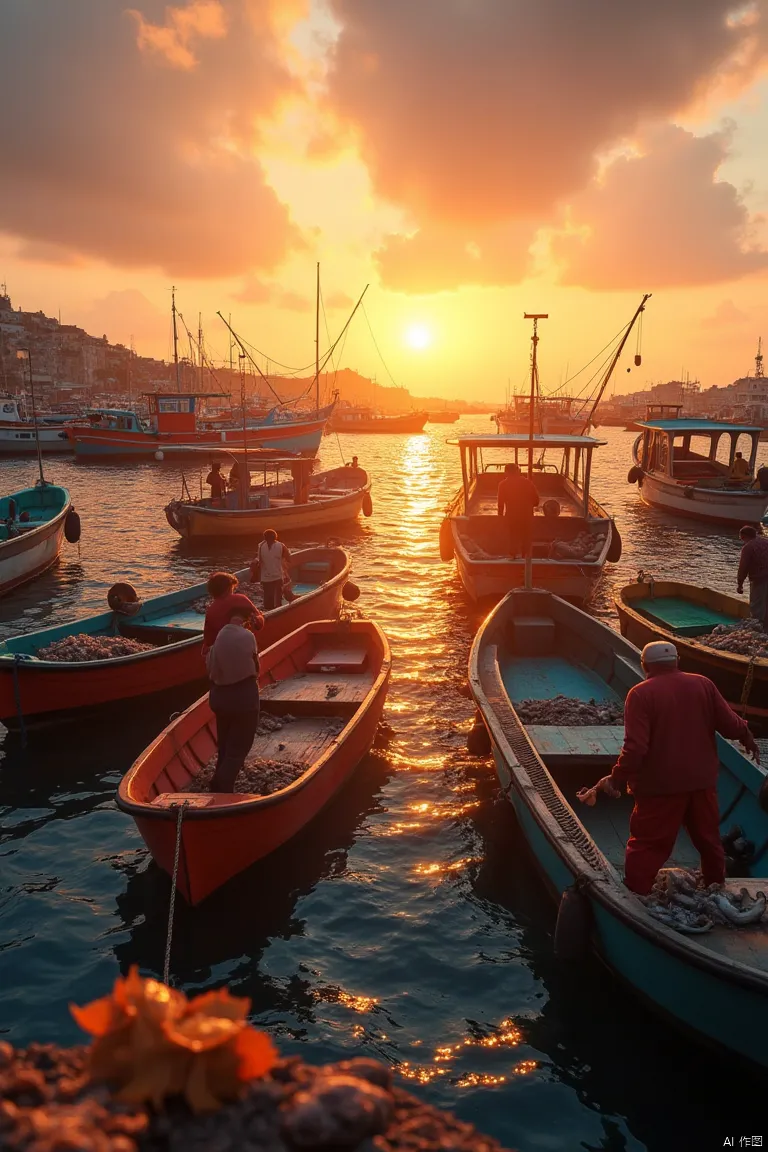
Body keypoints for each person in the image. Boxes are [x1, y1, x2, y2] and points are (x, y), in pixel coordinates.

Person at [588, 641, 759, 896]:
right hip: (701, 782)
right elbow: (732, 726)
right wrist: (747, 736)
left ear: (645, 666)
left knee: (649, 845)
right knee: (708, 840)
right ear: (676, 661)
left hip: (660, 787)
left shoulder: (640, 694)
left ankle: (637, 894)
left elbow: (635, 748)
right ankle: (715, 886)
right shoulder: (703, 684)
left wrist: (616, 777)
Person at [206, 604, 260, 791]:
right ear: (247, 619)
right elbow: (256, 667)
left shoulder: (220, 635)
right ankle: (223, 786)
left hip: (219, 696)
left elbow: (210, 666)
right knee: (239, 747)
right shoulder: (248, 636)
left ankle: (217, 780)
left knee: (225, 744)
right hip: (243, 697)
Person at [203, 571, 264, 653]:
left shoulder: (210, 610)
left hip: (219, 653)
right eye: (233, 588)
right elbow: (259, 624)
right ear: (229, 588)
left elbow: (208, 640)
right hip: (240, 650)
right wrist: (258, 617)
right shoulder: (239, 599)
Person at [496, 463, 539, 558]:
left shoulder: (503, 485)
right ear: (518, 471)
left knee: (513, 536)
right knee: (526, 537)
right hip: (527, 516)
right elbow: (536, 501)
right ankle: (526, 557)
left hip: (512, 516)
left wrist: (500, 518)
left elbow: (500, 504)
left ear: (506, 472)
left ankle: (513, 556)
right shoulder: (528, 483)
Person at [252, 529, 291, 611]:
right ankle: (277, 613)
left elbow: (258, 559)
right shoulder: (281, 546)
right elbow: (288, 558)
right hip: (277, 577)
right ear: (275, 537)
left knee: (268, 598)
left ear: (264, 538)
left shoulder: (260, 545)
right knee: (277, 599)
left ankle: (269, 613)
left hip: (267, 577)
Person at [737, 524, 768, 626]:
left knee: (757, 607)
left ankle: (757, 630)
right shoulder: (766, 542)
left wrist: (740, 584)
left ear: (744, 536)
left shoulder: (748, 547)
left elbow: (743, 568)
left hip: (760, 579)